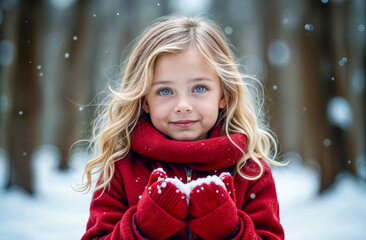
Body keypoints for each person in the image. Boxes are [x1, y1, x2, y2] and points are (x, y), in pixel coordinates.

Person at [80, 15, 285, 240]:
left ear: (224, 95)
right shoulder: (121, 168)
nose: (183, 106)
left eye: (199, 88)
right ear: (145, 100)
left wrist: (230, 231)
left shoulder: (250, 170)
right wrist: (141, 229)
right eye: (165, 91)